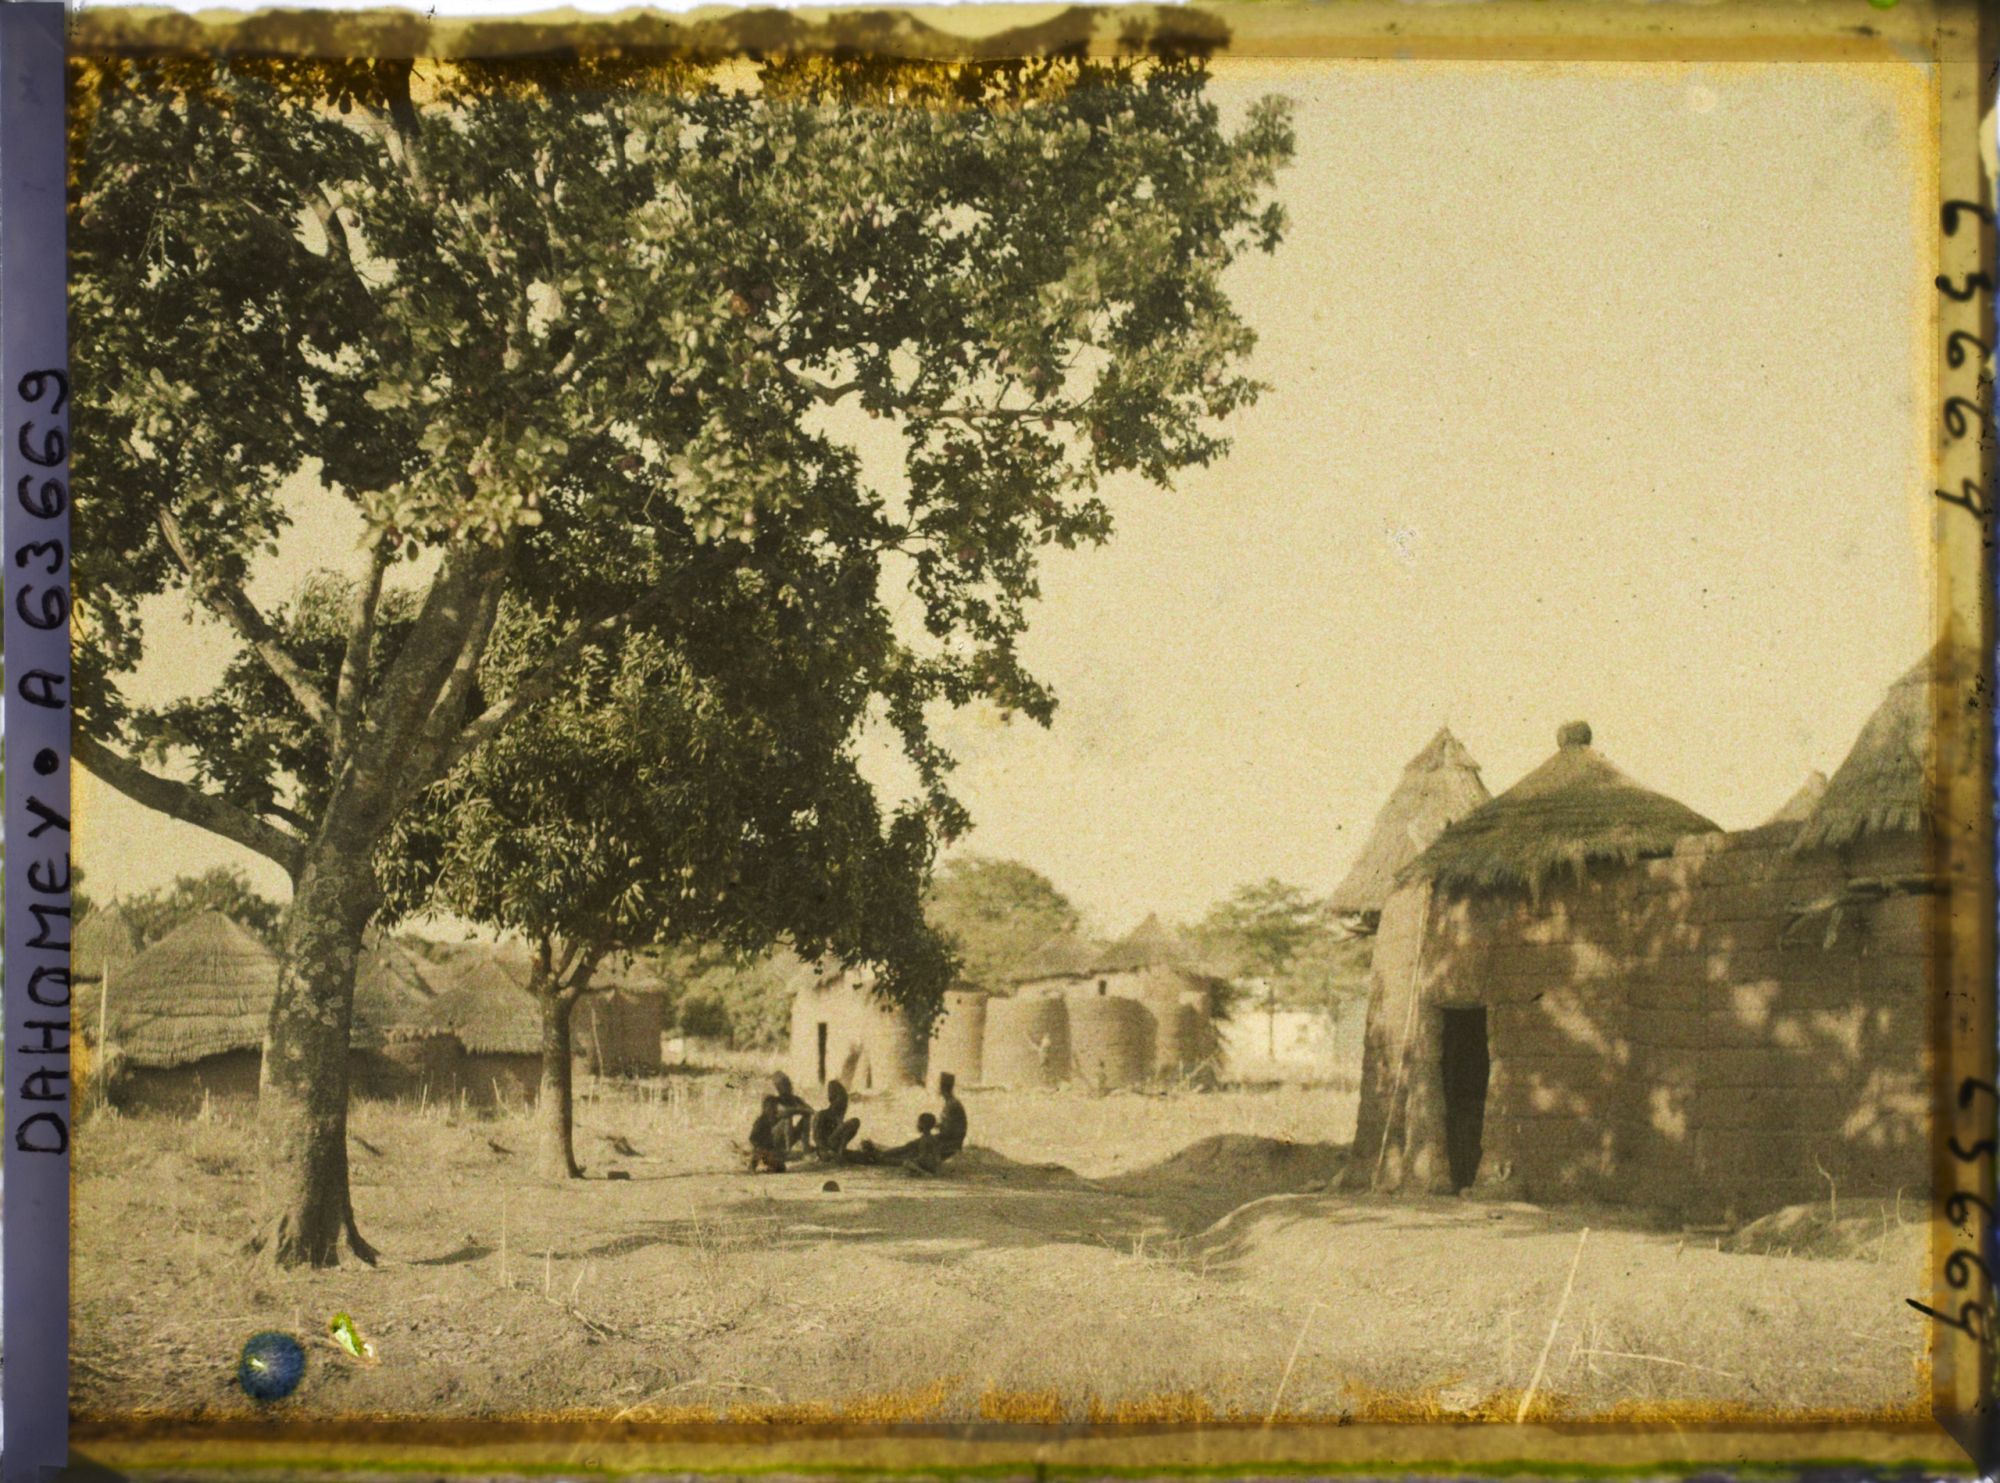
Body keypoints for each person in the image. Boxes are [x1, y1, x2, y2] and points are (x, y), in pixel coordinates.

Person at [811, 1080, 862, 1163]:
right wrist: (825, 1151)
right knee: (854, 1122)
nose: (844, 1105)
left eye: (845, 1103)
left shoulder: (838, 1116)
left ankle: (840, 1152)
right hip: (825, 1149)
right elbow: (817, 1138)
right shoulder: (822, 1115)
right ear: (833, 1100)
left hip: (835, 1148)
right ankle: (839, 1153)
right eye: (842, 1101)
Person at [771, 1071, 813, 1153]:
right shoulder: (776, 1101)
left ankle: (806, 1148)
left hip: (789, 1136)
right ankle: (788, 1151)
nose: (789, 1086)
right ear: (778, 1088)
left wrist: (803, 1109)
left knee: (806, 1117)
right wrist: (800, 1109)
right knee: (787, 1118)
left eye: (789, 1083)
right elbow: (785, 1111)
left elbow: (811, 1111)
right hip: (774, 1139)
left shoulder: (796, 1099)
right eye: (785, 1084)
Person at [747, 1095, 788, 1173]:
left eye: (774, 1107)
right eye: (770, 1107)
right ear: (764, 1108)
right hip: (763, 1149)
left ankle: (771, 1165)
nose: (772, 1109)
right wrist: (762, 1148)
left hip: (774, 1150)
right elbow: (752, 1138)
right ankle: (752, 1165)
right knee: (759, 1150)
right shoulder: (760, 1121)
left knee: (781, 1168)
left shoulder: (777, 1120)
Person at [935, 1072, 967, 1162]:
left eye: (939, 1086)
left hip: (951, 1143)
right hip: (951, 1140)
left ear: (943, 1088)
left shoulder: (952, 1105)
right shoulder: (951, 1103)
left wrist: (934, 1125)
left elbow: (948, 1130)